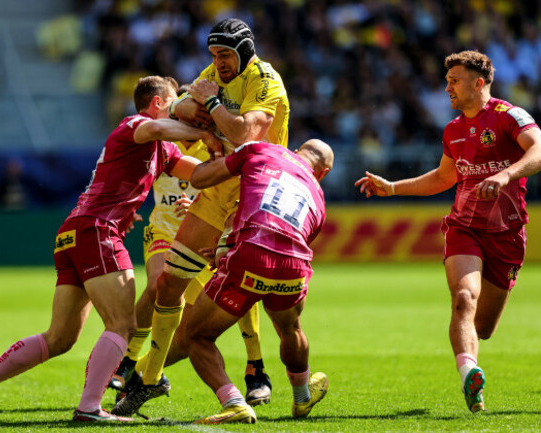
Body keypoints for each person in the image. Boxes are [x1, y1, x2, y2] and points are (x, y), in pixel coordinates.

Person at [0, 75, 221, 422]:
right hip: (98, 231)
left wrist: (237, 159)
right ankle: (90, 408)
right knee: (123, 325)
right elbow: (156, 131)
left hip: (75, 233)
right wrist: (203, 132)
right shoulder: (135, 124)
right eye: (175, 103)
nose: (183, 111)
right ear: (157, 104)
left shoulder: (162, 148)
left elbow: (199, 172)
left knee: (60, 337)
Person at [111, 17, 289, 417]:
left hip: (254, 193)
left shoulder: (265, 81)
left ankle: (263, 370)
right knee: (168, 282)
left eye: (225, 54)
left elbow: (243, 133)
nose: (218, 62)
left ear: (244, 51)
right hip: (215, 188)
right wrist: (199, 109)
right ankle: (150, 380)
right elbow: (178, 107)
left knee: (244, 292)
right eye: (213, 54)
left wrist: (209, 107)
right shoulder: (213, 75)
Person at [355, 50, 541, 413]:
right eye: (447, 81)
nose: (447, 88)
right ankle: (470, 375)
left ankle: (473, 356)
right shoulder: (453, 130)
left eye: (454, 80)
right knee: (463, 298)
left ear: (478, 82)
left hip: (507, 233)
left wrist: (505, 175)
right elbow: (443, 177)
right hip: (464, 227)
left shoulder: (509, 116)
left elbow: (538, 151)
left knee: (483, 327)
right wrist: (392, 187)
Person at [108, 88, 270, 403]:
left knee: (231, 290)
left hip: (201, 231)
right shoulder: (156, 142)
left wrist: (197, 203)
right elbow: (130, 177)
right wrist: (125, 210)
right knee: (158, 287)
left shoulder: (211, 142)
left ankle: (255, 365)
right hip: (164, 231)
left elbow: (225, 187)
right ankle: (129, 361)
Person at [184, 138, 334, 424]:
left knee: (196, 336)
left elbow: (200, 178)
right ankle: (302, 398)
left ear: (296, 149)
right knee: (290, 327)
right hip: (294, 263)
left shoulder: (262, 149)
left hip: (253, 254)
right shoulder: (319, 196)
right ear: (323, 172)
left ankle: (234, 402)